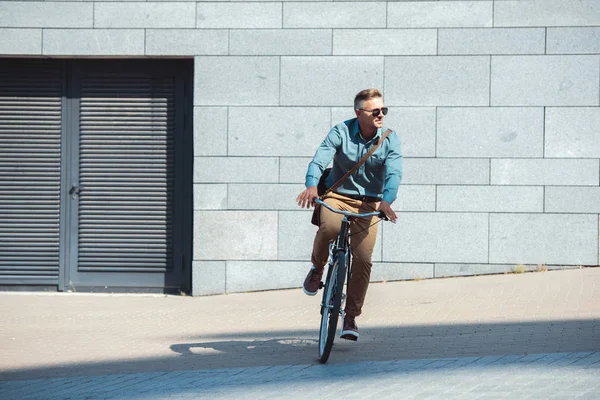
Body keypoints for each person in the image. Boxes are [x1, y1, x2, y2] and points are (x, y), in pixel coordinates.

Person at [296, 88, 402, 341]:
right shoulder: (341, 131)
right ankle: (318, 267)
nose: (380, 115)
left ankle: (351, 316)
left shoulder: (389, 138)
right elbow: (320, 159)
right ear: (359, 113)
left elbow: (395, 172)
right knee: (329, 229)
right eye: (375, 111)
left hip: (369, 203)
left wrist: (387, 200)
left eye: (383, 110)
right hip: (338, 195)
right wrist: (312, 185)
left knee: (363, 258)